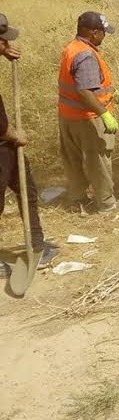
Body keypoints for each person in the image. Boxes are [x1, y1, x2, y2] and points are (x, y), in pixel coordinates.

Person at [0, 14, 59, 266]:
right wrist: (14, 134)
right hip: (3, 141)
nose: (8, 43)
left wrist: (3, 52)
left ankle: (36, 246)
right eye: (3, 40)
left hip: (6, 146)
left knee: (28, 190)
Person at [57, 11, 119, 214]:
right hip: (88, 119)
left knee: (73, 160)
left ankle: (77, 199)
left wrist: (110, 94)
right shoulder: (86, 55)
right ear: (93, 32)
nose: (104, 36)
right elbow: (84, 92)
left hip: (68, 117)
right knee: (97, 161)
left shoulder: (72, 48)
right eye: (103, 32)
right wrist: (104, 114)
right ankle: (106, 204)